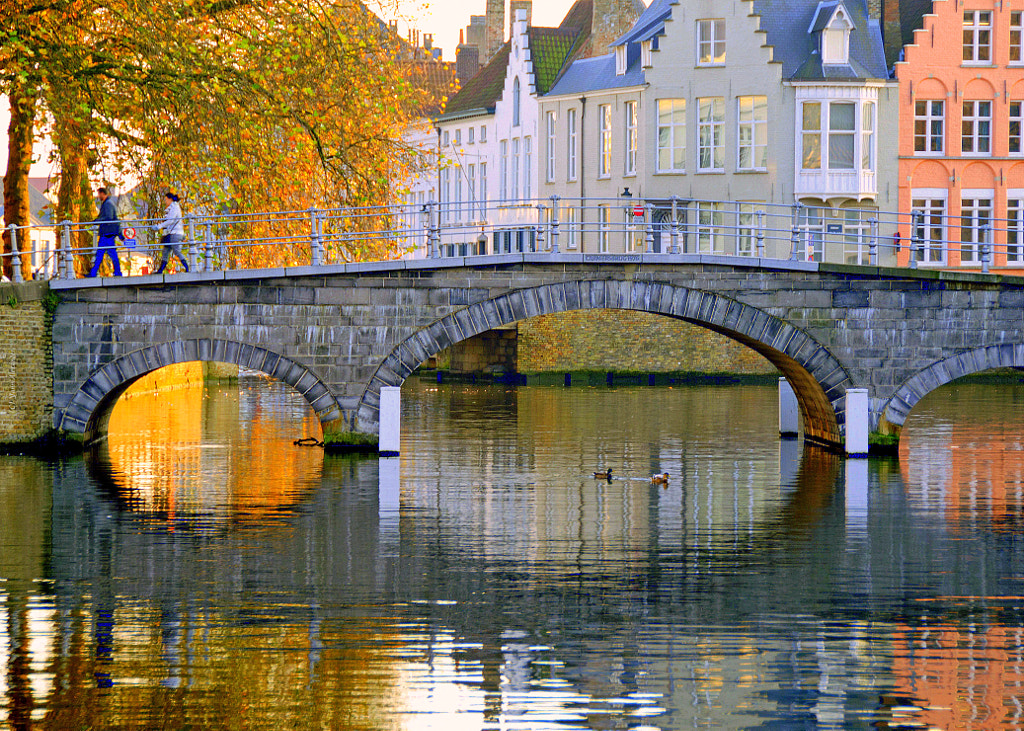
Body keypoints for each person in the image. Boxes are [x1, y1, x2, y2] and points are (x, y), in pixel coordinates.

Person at [87, 187, 123, 277]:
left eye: (99, 194)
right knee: (104, 253)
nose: (98, 196)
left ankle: (95, 272)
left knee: (104, 253)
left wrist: (97, 221)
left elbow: (108, 217)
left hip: (107, 233)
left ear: (103, 193)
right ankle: (94, 272)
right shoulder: (108, 203)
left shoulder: (107, 204)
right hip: (108, 233)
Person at [154, 192, 189, 274]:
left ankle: (187, 267)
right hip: (171, 233)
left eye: (166, 199)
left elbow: (170, 220)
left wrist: (159, 226)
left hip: (174, 233)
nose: (165, 201)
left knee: (176, 251)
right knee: (165, 251)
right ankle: (160, 270)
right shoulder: (173, 207)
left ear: (170, 199)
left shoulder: (174, 208)